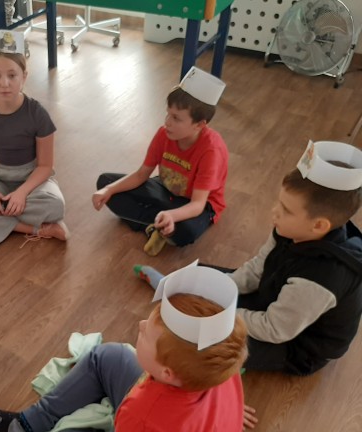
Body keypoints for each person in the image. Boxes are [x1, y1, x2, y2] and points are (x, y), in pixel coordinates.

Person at [0, 265, 248, 432]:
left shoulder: (146, 418)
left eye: (147, 334)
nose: (140, 324)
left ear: (167, 372)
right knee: (106, 356)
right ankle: (30, 423)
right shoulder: (217, 358)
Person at [136, 141, 362, 378]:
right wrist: (217, 291)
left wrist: (220, 315)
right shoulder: (293, 229)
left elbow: (275, 328)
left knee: (211, 346)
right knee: (203, 276)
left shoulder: (323, 278)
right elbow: (257, 269)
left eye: (286, 210)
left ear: (319, 225)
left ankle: (231, 365)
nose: (274, 211)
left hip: (297, 344)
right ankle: (171, 287)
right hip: (275, 295)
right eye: (279, 202)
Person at [92, 67, 228, 255]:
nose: (167, 122)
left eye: (176, 118)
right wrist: (109, 189)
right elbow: (141, 175)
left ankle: (158, 222)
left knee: (186, 231)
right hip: (166, 190)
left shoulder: (211, 150)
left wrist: (172, 215)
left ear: (199, 125)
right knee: (106, 182)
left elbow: (197, 204)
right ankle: (158, 226)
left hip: (200, 204)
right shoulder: (164, 134)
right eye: (168, 113)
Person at [0, 34, 69, 250]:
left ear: (24, 76)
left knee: (55, 204)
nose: (4, 83)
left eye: (12, 75)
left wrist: (22, 193)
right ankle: (35, 229)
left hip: (31, 177)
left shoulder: (37, 114)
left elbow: (45, 166)